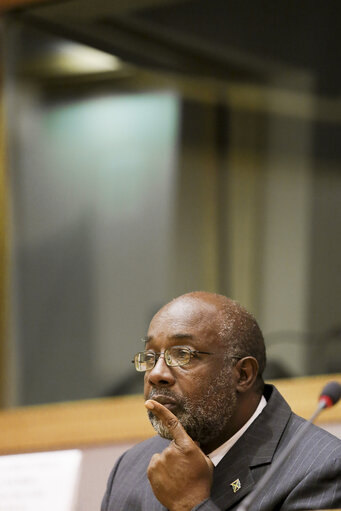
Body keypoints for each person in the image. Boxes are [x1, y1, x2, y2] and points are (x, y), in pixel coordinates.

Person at [101, 291, 341, 511]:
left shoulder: (322, 467)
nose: (156, 374)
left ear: (242, 374)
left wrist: (191, 505)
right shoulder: (131, 467)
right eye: (151, 357)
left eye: (182, 354)